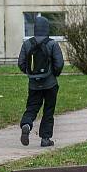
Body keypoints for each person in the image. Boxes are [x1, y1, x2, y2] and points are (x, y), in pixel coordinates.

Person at [17, 15, 64, 147]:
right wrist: (54, 74)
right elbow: (59, 64)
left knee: (32, 108)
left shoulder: (27, 44)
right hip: (50, 84)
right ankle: (45, 138)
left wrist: (30, 74)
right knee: (48, 110)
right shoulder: (52, 43)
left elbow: (21, 63)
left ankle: (26, 124)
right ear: (47, 28)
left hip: (33, 85)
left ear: (35, 28)